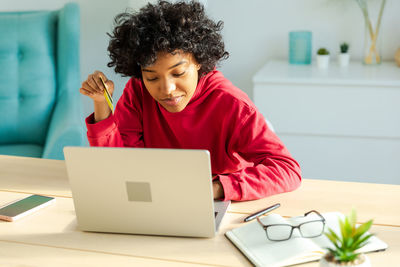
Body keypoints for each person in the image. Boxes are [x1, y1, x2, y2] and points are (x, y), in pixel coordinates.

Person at [80, 0, 301, 201]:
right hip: (154, 200)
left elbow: (287, 169)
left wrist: (214, 189)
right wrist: (101, 104)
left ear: (198, 61)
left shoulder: (232, 104)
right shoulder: (137, 91)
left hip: (211, 203)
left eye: (178, 74)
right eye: (152, 77)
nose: (167, 89)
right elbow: (117, 164)